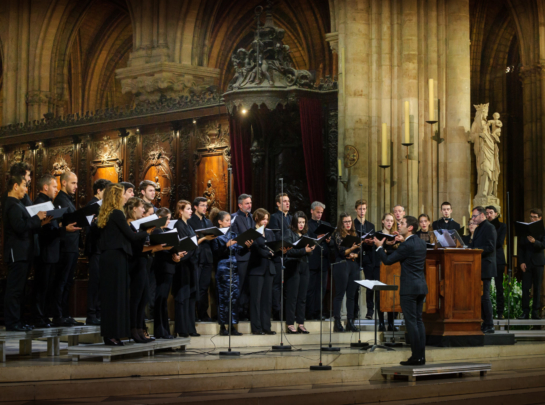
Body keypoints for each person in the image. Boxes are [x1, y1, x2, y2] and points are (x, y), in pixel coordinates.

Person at [96, 184, 153, 346]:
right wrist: (147, 231)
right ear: (116, 197)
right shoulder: (117, 214)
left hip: (109, 257)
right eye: (123, 194)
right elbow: (131, 237)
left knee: (111, 297)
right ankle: (112, 335)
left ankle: (112, 334)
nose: (125, 197)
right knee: (116, 297)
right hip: (116, 258)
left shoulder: (106, 214)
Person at [374, 216, 428, 366]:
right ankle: (421, 356)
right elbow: (411, 251)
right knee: (418, 321)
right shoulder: (421, 243)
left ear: (410, 227)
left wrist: (379, 246)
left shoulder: (406, 246)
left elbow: (387, 260)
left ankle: (416, 357)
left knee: (411, 322)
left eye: (402, 223)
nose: (399, 225)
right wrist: (401, 241)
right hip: (421, 286)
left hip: (409, 288)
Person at [32, 174, 81, 328]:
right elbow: (45, 230)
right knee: (42, 286)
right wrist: (63, 229)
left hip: (51, 250)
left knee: (48, 286)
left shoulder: (48, 202)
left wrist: (59, 228)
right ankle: (40, 317)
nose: (56, 189)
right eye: (54, 186)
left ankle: (45, 317)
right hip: (46, 250)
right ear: (45, 187)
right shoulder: (41, 203)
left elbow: (51, 227)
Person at [3, 175, 49, 331]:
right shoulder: (12, 204)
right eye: (24, 186)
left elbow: (26, 226)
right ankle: (12, 322)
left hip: (23, 252)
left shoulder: (18, 204)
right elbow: (19, 226)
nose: (26, 189)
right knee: (14, 289)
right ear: (15, 186)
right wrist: (37, 218)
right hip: (17, 253)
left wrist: (40, 222)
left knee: (20, 289)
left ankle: (18, 320)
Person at [125, 197, 170, 343]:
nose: (144, 211)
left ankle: (139, 328)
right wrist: (154, 248)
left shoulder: (138, 226)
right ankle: (134, 329)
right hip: (135, 263)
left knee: (143, 298)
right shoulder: (129, 225)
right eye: (142, 208)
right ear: (133, 209)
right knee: (136, 299)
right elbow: (135, 248)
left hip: (143, 263)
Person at [173, 200, 215, 337]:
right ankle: (182, 329)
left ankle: (191, 328)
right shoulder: (179, 225)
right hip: (183, 264)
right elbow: (184, 244)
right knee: (183, 297)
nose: (191, 211)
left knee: (191, 297)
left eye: (191, 209)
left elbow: (192, 242)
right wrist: (199, 241)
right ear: (180, 211)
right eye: (188, 209)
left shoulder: (188, 226)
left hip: (192, 263)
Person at [211, 209, 250, 336]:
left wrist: (247, 246)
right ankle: (223, 326)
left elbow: (239, 251)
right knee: (223, 297)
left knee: (234, 297)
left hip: (234, 267)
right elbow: (216, 253)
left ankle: (232, 325)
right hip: (223, 268)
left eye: (230, 220)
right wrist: (226, 245)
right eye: (227, 220)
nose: (229, 223)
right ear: (220, 222)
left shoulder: (233, 234)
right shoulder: (216, 235)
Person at [51, 171, 83, 327]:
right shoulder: (60, 200)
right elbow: (56, 224)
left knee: (68, 282)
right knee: (62, 282)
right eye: (73, 183)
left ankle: (65, 314)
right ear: (63, 183)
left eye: (77, 183)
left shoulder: (68, 200)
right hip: (64, 247)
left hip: (72, 246)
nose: (76, 186)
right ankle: (58, 315)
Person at [152, 208, 185, 339]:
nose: (169, 221)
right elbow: (161, 249)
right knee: (160, 300)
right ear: (160, 217)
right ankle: (161, 331)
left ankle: (164, 331)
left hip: (168, 268)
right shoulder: (157, 231)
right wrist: (174, 253)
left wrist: (177, 254)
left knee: (163, 300)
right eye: (167, 218)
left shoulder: (163, 231)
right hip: (163, 268)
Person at [85, 178, 112, 326]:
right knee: (95, 283)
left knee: (102, 283)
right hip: (95, 248)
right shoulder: (92, 205)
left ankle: (99, 313)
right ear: (99, 191)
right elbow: (91, 228)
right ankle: (91, 314)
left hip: (102, 248)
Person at [283, 211, 314, 334]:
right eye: (299, 222)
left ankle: (301, 323)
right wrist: (303, 250)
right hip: (293, 266)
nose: (301, 225)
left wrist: (311, 248)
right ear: (295, 222)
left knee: (302, 296)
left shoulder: (304, 235)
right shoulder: (288, 233)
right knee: (292, 296)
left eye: (303, 222)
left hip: (304, 266)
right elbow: (288, 251)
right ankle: (290, 323)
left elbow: (308, 252)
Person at [248, 208, 278, 334]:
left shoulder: (270, 233)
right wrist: (268, 253)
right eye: (263, 219)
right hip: (257, 269)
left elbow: (274, 248)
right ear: (256, 219)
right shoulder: (252, 232)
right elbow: (257, 250)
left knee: (267, 299)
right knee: (256, 299)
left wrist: (271, 252)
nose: (265, 221)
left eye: (267, 219)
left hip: (269, 268)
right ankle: (257, 328)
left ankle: (267, 327)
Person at [469, 206, 497, 333]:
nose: (473, 219)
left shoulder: (489, 227)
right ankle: (483, 322)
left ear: (482, 215)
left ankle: (489, 324)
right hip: (478, 266)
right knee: (479, 296)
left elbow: (490, 247)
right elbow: (474, 245)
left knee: (484, 296)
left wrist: (475, 251)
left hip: (485, 266)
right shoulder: (479, 228)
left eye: (475, 216)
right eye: (472, 216)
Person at [332, 213, 362, 332]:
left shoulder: (355, 234)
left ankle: (350, 321)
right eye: (345, 222)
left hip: (353, 265)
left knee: (352, 295)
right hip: (342, 265)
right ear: (341, 223)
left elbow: (359, 251)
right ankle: (337, 322)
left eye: (349, 221)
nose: (348, 224)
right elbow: (342, 251)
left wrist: (355, 253)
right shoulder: (338, 234)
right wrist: (352, 249)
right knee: (340, 295)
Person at [188, 196, 216, 322]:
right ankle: (193, 315)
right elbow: (191, 241)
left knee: (204, 288)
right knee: (195, 287)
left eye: (206, 205)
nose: (205, 208)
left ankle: (203, 313)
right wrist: (204, 238)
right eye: (202, 205)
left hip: (207, 257)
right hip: (196, 257)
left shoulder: (208, 222)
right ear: (195, 207)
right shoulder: (190, 221)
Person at [230, 194, 255, 320]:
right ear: (240, 205)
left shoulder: (252, 217)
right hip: (241, 257)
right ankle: (237, 313)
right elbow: (232, 238)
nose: (249, 205)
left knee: (249, 287)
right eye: (246, 203)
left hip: (252, 257)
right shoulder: (234, 218)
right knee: (239, 286)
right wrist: (242, 244)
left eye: (250, 203)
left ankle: (247, 312)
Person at [517, 208, 545, 320]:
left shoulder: (542, 230)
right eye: (531, 216)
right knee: (525, 288)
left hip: (538, 262)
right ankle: (525, 312)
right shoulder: (525, 230)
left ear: (540, 218)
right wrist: (521, 262)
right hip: (527, 263)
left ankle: (535, 312)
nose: (532, 219)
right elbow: (521, 247)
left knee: (537, 288)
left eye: (534, 217)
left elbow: (543, 245)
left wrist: (535, 242)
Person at [268, 193, 291, 321]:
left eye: (288, 201)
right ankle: (277, 312)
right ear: (278, 204)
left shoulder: (292, 218)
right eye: (284, 201)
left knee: (288, 286)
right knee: (277, 285)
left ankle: (287, 312)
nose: (287, 203)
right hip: (278, 256)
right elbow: (275, 237)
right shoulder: (274, 217)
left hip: (290, 256)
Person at [306, 201, 331, 321]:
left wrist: (328, 240)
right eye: (317, 212)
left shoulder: (325, 225)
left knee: (321, 289)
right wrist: (317, 238)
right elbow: (305, 239)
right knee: (310, 288)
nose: (319, 214)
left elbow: (330, 244)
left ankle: (318, 312)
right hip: (311, 260)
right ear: (311, 211)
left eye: (321, 212)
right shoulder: (306, 225)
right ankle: (310, 313)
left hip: (324, 261)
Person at [353, 199, 377, 320]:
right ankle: (355, 311)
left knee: (369, 285)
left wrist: (371, 242)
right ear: (356, 210)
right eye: (360, 209)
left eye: (364, 209)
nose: (362, 211)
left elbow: (374, 241)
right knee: (355, 286)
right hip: (356, 257)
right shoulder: (352, 224)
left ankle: (370, 311)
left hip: (368, 256)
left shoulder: (371, 225)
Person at [376, 213, 398, 331]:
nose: (389, 223)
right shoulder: (378, 235)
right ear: (383, 221)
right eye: (387, 220)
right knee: (380, 295)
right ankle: (380, 322)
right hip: (380, 267)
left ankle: (390, 323)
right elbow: (377, 251)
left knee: (391, 296)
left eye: (391, 221)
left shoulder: (395, 236)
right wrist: (383, 247)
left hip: (392, 268)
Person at [486, 205, 507, 319]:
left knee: (499, 287)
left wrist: (487, 245)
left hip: (498, 259)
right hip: (487, 259)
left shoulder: (502, 226)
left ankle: (500, 312)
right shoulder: (484, 226)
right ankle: (486, 313)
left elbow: (499, 242)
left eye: (491, 213)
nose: (488, 215)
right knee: (485, 288)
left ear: (496, 213)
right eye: (487, 213)